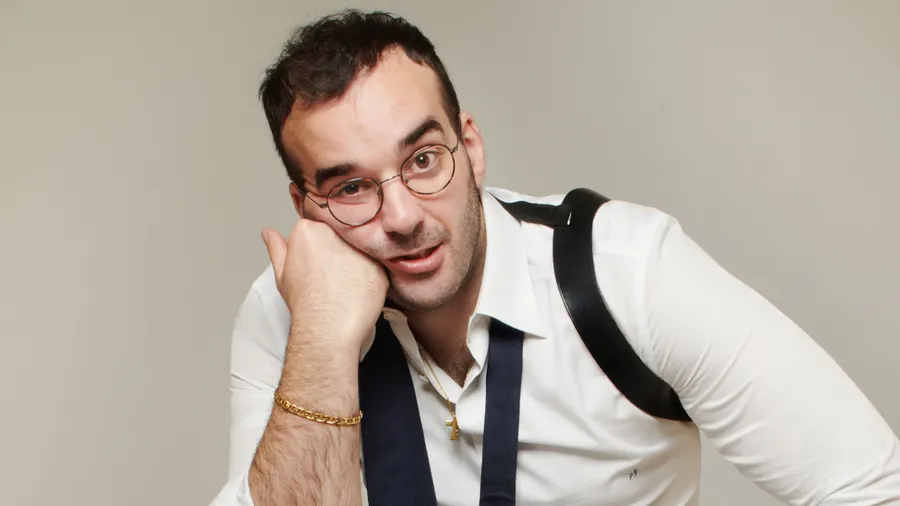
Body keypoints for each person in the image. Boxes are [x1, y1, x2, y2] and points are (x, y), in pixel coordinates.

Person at [210, 9, 900, 506]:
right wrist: (324, 343)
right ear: (307, 206)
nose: (403, 217)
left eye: (423, 160)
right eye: (351, 187)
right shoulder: (289, 314)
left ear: (470, 147)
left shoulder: (626, 270)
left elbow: (869, 487)